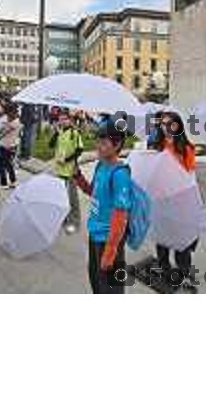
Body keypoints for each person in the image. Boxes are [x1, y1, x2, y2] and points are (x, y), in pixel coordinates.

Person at [75, 125, 132, 294]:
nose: (98, 146)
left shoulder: (120, 174)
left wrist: (110, 251)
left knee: (110, 289)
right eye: (97, 141)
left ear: (117, 145)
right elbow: (94, 193)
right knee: (97, 281)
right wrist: (78, 177)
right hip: (95, 234)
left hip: (109, 239)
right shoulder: (100, 166)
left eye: (104, 142)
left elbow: (120, 215)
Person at [148, 110, 198, 292]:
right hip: (160, 200)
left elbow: (190, 178)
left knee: (181, 243)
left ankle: (184, 274)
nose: (167, 127)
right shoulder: (156, 146)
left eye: (171, 124)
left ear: (178, 126)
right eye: (163, 124)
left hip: (180, 201)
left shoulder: (186, 148)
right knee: (161, 240)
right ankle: (164, 268)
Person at [50, 109, 84, 234]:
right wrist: (55, 134)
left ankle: (74, 222)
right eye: (60, 119)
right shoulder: (59, 132)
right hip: (59, 170)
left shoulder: (74, 133)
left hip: (70, 170)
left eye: (65, 119)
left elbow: (79, 150)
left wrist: (67, 159)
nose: (62, 121)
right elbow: (51, 145)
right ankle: (63, 219)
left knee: (72, 197)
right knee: (60, 195)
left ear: (70, 120)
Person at [0, 102, 22, 189]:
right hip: (4, 144)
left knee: (5, 164)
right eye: (13, 112)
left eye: (15, 112)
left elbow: (1, 133)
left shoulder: (15, 122)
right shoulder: (4, 119)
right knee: (6, 164)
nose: (14, 114)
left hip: (9, 145)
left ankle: (7, 182)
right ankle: (10, 181)